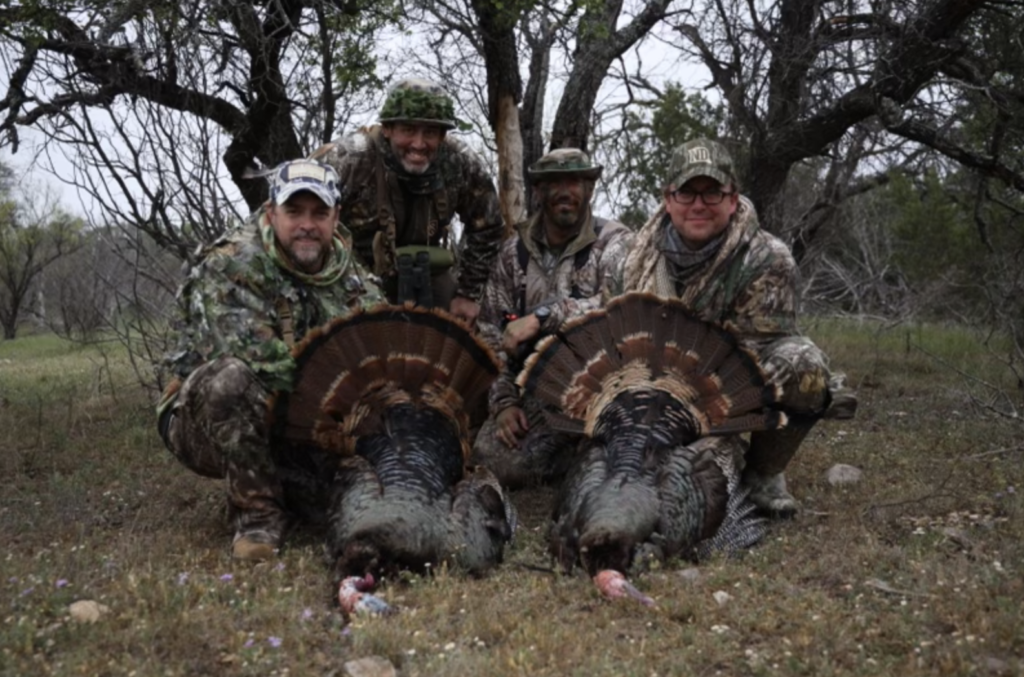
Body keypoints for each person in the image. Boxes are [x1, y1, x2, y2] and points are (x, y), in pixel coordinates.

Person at [609, 138, 857, 516]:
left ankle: (762, 472)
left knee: (803, 365)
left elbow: (748, 360)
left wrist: (692, 419)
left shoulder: (767, 257)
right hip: (645, 385)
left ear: (732, 198)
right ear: (667, 198)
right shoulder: (632, 255)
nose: (698, 205)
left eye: (712, 193)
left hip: (722, 388)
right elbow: (605, 321)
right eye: (686, 192)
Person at [156, 159, 385, 561]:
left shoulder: (347, 268)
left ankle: (298, 488)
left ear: (336, 216)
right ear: (271, 212)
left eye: (319, 213)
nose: (307, 225)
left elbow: (377, 342)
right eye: (294, 211)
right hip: (207, 420)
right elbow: (260, 364)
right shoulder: (232, 263)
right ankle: (257, 517)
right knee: (231, 379)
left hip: (308, 415)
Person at [470, 148, 634, 488]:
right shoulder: (512, 254)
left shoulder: (615, 242)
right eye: (553, 182)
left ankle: (594, 453)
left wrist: (546, 315)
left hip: (610, 387)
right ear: (539, 191)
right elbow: (490, 335)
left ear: (589, 188)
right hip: (543, 393)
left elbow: (621, 307)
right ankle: (578, 456)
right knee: (492, 457)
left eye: (574, 181)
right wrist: (504, 403)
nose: (564, 191)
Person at [313, 77, 503, 324]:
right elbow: (294, 216)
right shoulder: (347, 159)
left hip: (425, 271)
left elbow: (488, 227)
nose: (419, 144)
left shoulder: (459, 163)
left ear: (443, 136)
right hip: (350, 274)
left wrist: (468, 292)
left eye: (430, 132)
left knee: (468, 334)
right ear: (389, 128)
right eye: (408, 130)